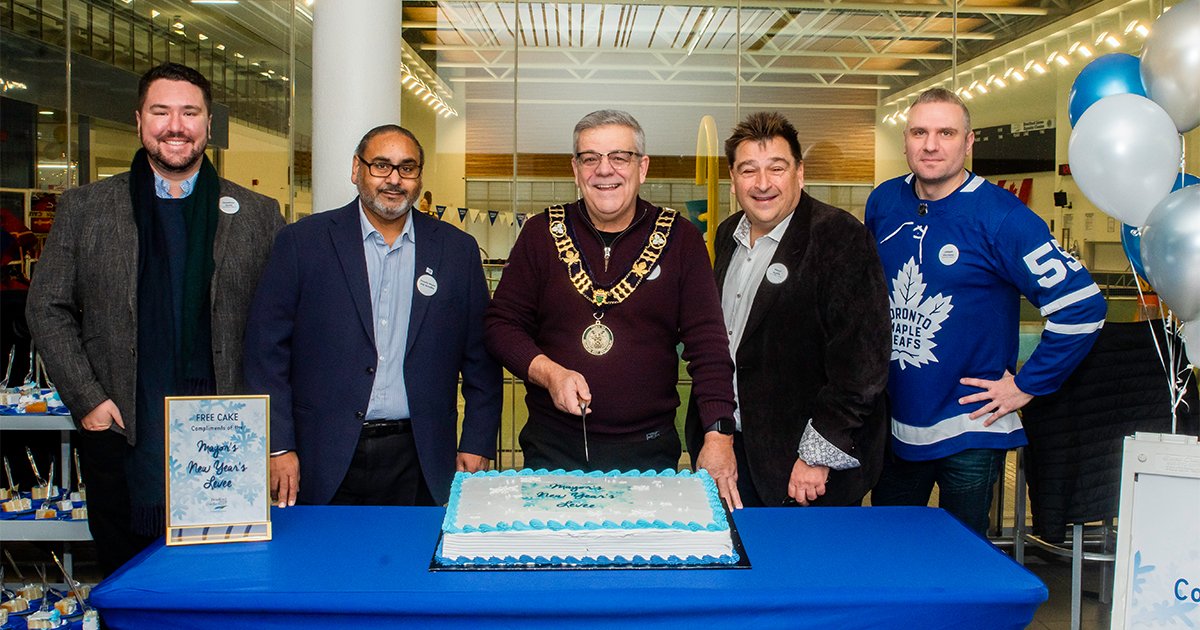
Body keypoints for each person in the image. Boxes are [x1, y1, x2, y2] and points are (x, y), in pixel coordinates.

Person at [26, 62, 284, 575]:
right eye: (161, 111)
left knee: (226, 586)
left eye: (190, 112)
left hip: (230, 444)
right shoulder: (86, 209)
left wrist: (279, 434)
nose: (176, 125)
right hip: (121, 434)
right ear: (139, 120)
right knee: (131, 586)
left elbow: (282, 327)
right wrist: (89, 399)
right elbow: (46, 306)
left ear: (210, 124)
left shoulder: (258, 215)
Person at [864, 87, 1106, 535]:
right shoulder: (884, 202)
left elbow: (1083, 306)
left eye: (946, 132)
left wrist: (1027, 385)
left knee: (965, 560)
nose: (931, 144)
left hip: (971, 426)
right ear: (905, 141)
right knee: (886, 550)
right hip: (896, 424)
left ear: (969, 142)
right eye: (919, 132)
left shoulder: (1002, 217)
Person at [244, 124, 501, 508]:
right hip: (321, 455)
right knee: (323, 567)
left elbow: (481, 359)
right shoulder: (302, 243)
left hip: (421, 457)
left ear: (419, 177)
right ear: (356, 170)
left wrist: (477, 441)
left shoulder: (456, 251)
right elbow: (265, 351)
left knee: (413, 565)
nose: (394, 179)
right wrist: (277, 445)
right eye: (381, 165)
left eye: (407, 168)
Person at [485, 110, 737, 497]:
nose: (605, 170)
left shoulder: (681, 238)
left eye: (620, 157)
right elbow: (501, 324)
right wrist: (550, 373)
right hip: (553, 447)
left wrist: (718, 434)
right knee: (559, 554)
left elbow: (708, 345)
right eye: (590, 158)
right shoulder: (540, 233)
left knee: (640, 554)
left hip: (649, 450)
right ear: (575, 169)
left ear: (643, 167)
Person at [685, 111, 891, 509]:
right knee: (737, 564)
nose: (763, 184)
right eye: (749, 170)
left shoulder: (839, 237)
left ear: (799, 172)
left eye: (776, 168)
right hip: (736, 448)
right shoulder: (728, 234)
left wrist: (818, 453)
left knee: (805, 569)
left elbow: (863, 362)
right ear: (733, 179)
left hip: (804, 463)